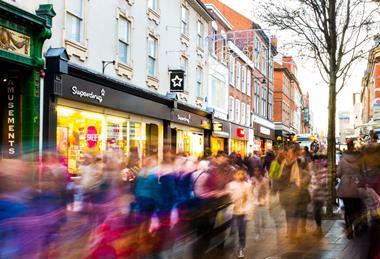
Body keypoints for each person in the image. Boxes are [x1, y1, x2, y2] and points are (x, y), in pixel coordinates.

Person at [336, 146, 366, 239]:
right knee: (357, 208)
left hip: (345, 187)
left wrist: (345, 176)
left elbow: (338, 174)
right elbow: (364, 172)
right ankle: (357, 228)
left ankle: (349, 230)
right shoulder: (360, 159)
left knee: (348, 209)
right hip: (357, 186)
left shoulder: (343, 160)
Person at [226, 167, 253, 258]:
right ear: (234, 175)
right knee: (233, 231)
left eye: (242, 174)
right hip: (233, 212)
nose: (241, 176)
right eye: (238, 174)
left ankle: (241, 248)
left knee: (242, 231)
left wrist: (249, 212)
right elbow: (228, 199)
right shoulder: (230, 185)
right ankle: (232, 248)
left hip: (243, 212)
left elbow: (250, 199)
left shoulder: (247, 186)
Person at [310, 155, 329, 236]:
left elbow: (324, 182)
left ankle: (319, 228)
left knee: (317, 211)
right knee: (316, 211)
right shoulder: (312, 170)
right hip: (315, 194)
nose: (316, 163)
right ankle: (318, 228)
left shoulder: (324, 170)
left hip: (320, 194)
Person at [251, 164, 270, 240]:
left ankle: (263, 229)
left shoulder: (265, 180)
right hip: (255, 202)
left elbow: (267, 191)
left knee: (264, 219)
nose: (257, 172)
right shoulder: (252, 180)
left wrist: (267, 201)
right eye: (255, 171)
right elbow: (250, 191)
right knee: (256, 220)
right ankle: (257, 233)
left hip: (263, 202)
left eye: (258, 170)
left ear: (261, 171)